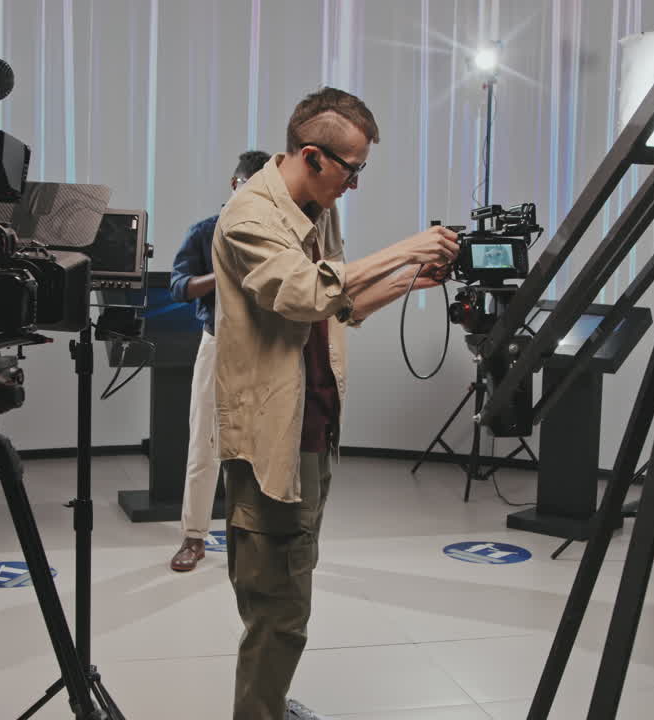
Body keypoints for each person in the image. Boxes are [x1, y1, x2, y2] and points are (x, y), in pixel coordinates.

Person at [212, 87, 458, 720]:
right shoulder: (249, 215)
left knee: (290, 590)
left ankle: (265, 699)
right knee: (278, 607)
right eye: (353, 169)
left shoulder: (315, 205)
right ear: (314, 155)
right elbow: (300, 293)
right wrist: (406, 248)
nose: (355, 185)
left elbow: (337, 304)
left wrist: (408, 281)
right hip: (275, 439)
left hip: (314, 430)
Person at [168, 149, 271, 572]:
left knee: (262, 448)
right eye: (254, 188)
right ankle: (194, 537)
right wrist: (222, 277)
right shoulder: (205, 232)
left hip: (266, 349)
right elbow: (179, 287)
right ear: (236, 184)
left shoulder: (276, 233)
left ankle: (254, 538)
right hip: (217, 345)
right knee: (205, 447)